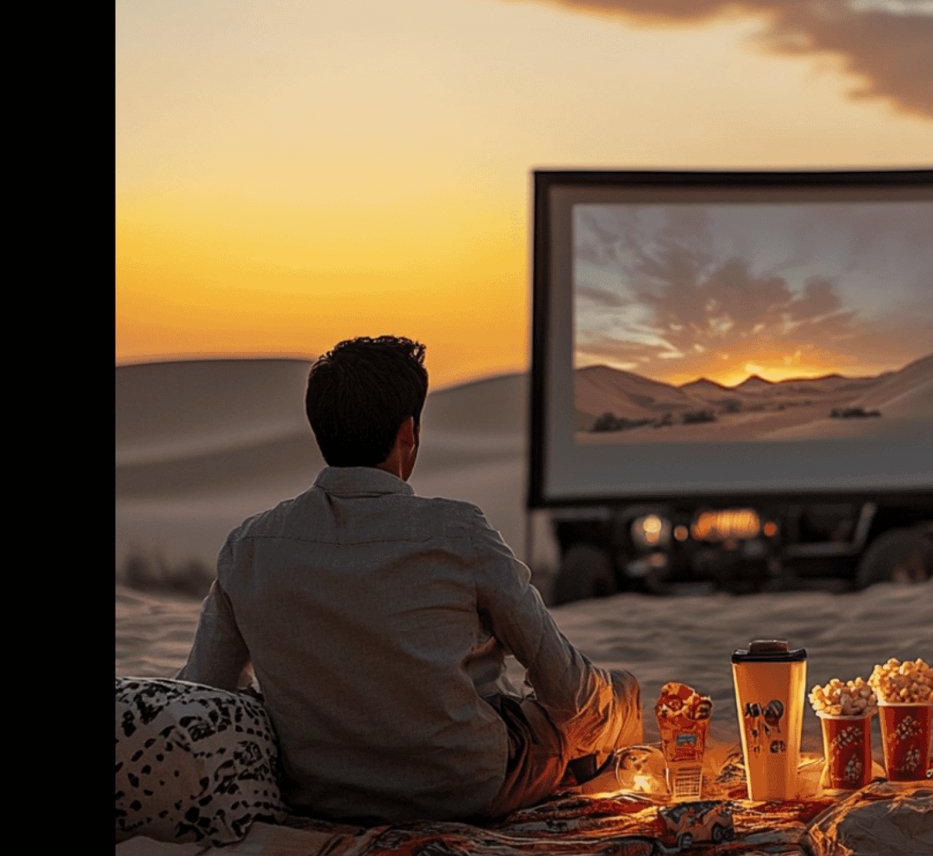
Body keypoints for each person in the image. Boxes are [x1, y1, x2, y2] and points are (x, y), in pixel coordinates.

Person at [177, 335, 643, 824]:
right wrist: (609, 706)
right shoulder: (459, 532)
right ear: (408, 431)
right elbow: (566, 688)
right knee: (616, 695)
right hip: (467, 789)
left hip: (320, 795)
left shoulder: (248, 545)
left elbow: (202, 693)